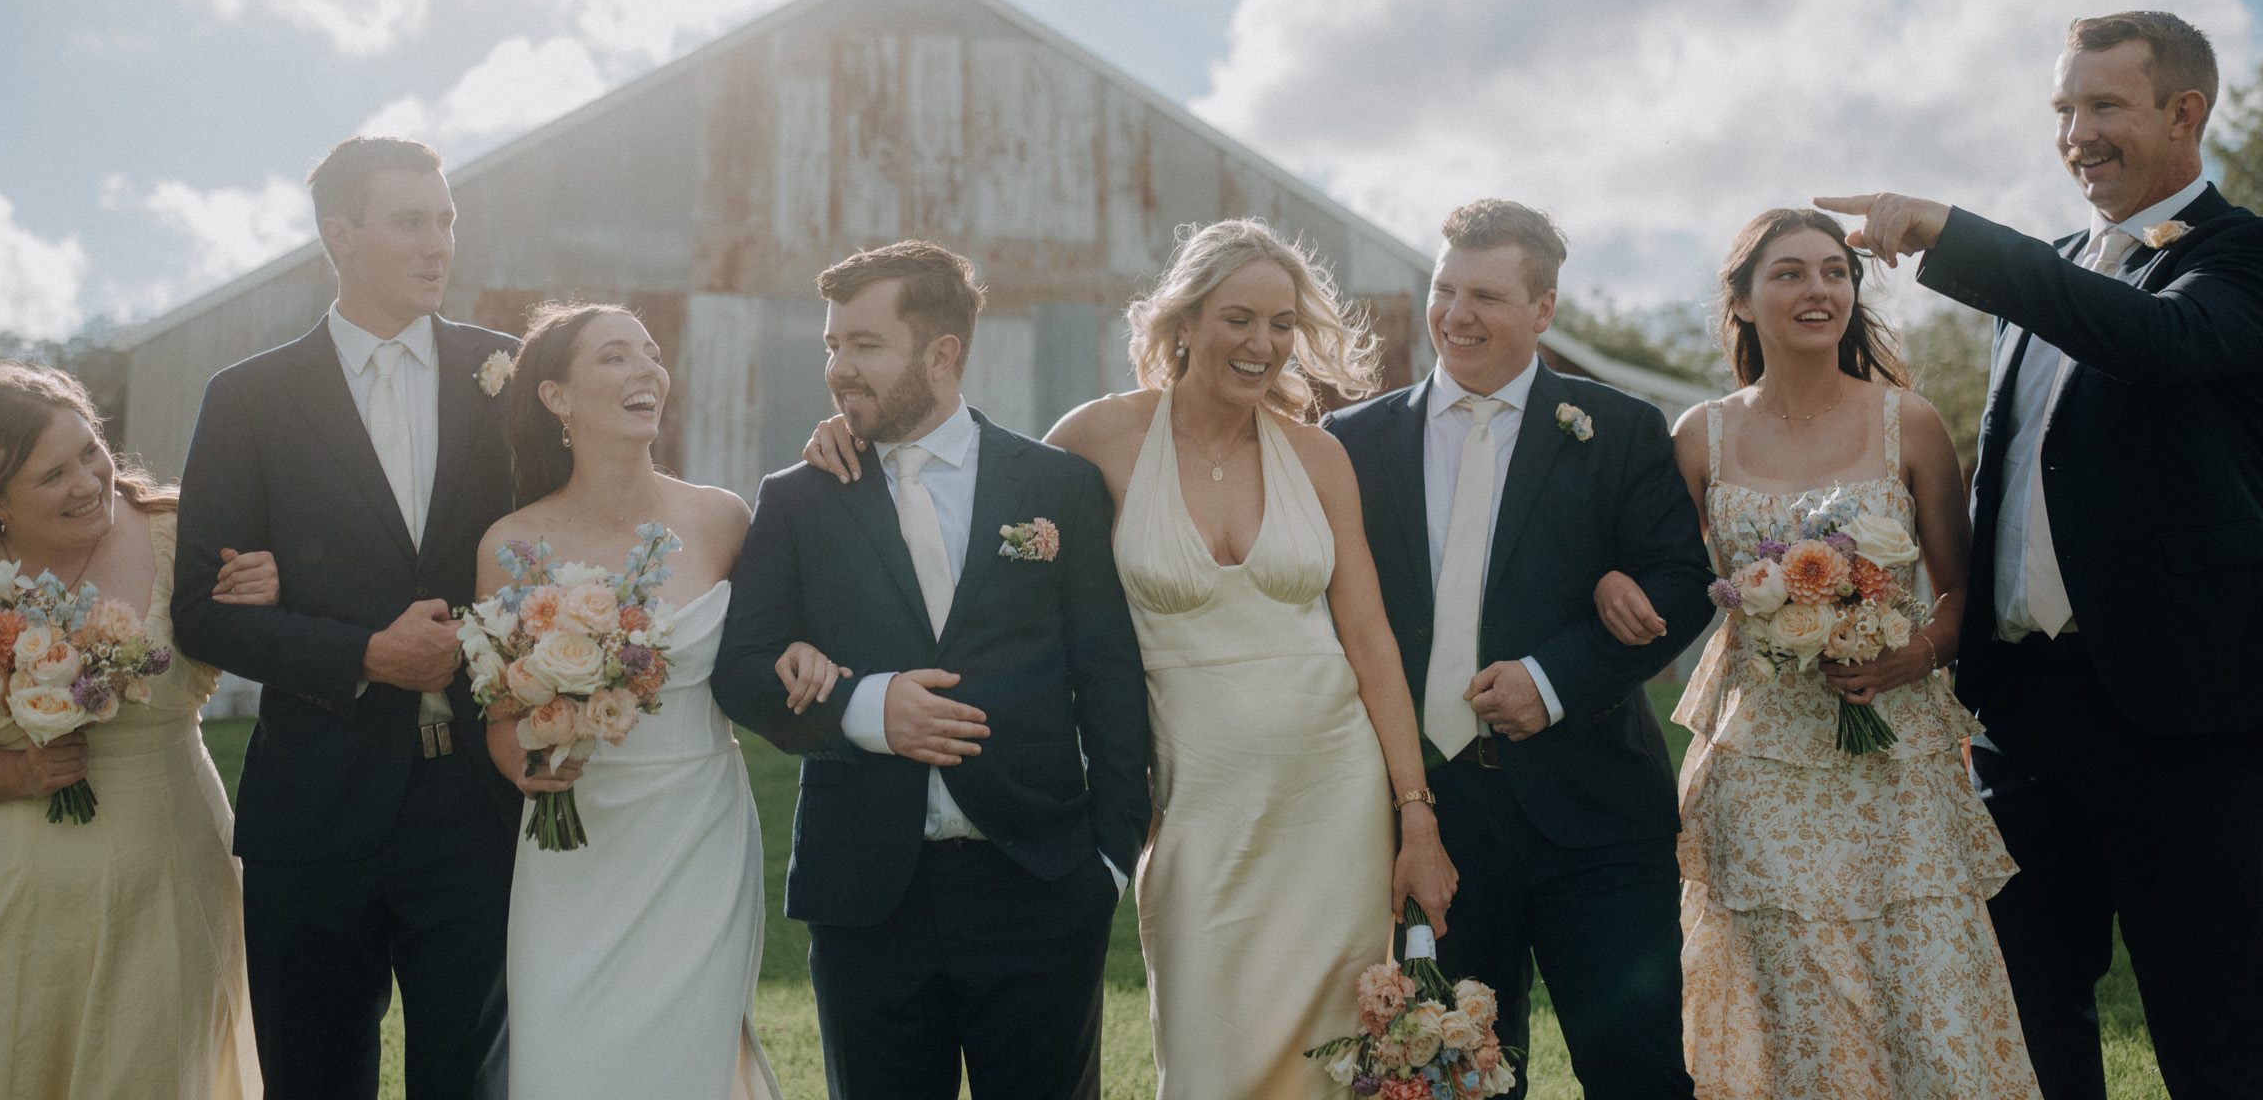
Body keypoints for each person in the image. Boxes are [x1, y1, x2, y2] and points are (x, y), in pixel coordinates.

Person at [799, 221, 1457, 1099]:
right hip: (1194, 804)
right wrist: (857, 437)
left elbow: (1370, 644)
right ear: (1184, 322)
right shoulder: (1098, 440)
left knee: (1335, 1064)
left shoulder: (1318, 455)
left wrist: (1415, 816)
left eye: (1282, 323)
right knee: (1209, 1053)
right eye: (1238, 318)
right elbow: (967, 490)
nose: (1263, 344)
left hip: (1334, 799)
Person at [1822, 9, 2263, 1100]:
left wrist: (1949, 231)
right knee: (2021, 1024)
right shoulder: (2055, 269)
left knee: (2215, 1030)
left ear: (2184, 112)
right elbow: (2009, 480)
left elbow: (2160, 343)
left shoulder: (2239, 258)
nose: (2076, 132)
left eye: (2103, 105)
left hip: (2185, 722)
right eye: (2064, 108)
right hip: (2026, 720)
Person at [1601, 209, 2034, 1096]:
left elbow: (1959, 593)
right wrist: (1616, 581)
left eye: (1834, 272)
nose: (1818, 290)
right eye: (1791, 273)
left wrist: (1910, 655)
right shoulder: (1701, 435)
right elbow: (1670, 575)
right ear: (1745, 299)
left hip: (1894, 758)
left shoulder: (1907, 423)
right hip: (1758, 757)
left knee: (1923, 981)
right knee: (1789, 986)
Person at [712, 241, 1150, 1100]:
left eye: (865, 345)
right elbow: (739, 670)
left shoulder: (1058, 486)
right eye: (833, 344)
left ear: (943, 354)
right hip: (866, 895)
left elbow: (1108, 676)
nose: (840, 368)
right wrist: (868, 709)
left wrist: (1107, 862)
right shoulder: (800, 497)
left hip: (1038, 885)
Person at [1321, 199, 1714, 1099]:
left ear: (1543, 310)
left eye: (1488, 296)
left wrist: (1554, 678)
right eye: (1445, 288)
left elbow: (1681, 582)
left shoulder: (1616, 427)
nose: (1457, 315)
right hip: (1433, 826)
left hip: (1597, 818)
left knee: (1638, 1072)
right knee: (1457, 1078)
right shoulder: (1353, 441)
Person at [170, 136, 522, 1100]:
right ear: (341, 235)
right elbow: (200, 615)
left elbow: (600, 506)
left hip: (477, 815)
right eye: (410, 221)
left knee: (471, 1084)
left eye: (447, 220)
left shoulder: (513, 374)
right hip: (314, 813)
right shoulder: (247, 398)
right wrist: (365, 652)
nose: (438, 243)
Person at [0, 360, 275, 1099]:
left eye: (91, 452)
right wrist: (16, 773)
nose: (89, 483)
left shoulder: (182, 534)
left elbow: (260, 634)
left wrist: (264, 591)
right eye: (53, 475)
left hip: (170, 874)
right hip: (2, 893)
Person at [475, 302, 781, 1099]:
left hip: (698, 838)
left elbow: (770, 651)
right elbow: (501, 722)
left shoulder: (722, 519)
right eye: (616, 357)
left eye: (652, 353)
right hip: (574, 850)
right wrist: (525, 761)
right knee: (563, 1067)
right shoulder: (509, 544)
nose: (648, 371)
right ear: (556, 397)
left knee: (690, 1066)